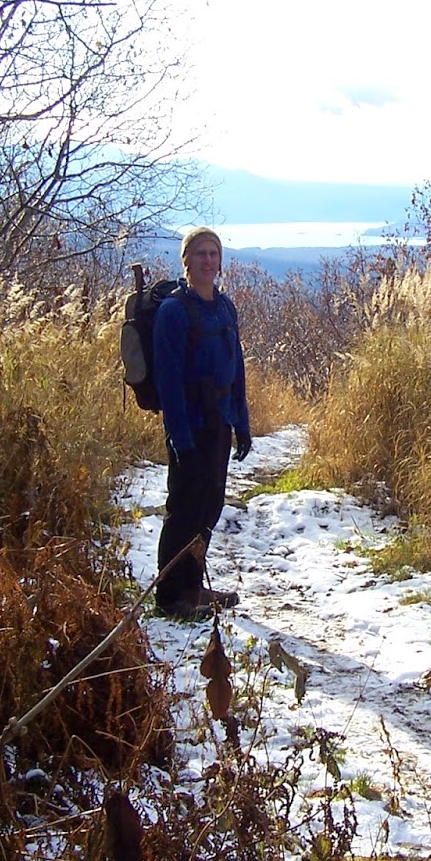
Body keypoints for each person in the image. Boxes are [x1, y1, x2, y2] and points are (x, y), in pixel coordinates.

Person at [152, 227, 252, 619]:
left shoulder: (225, 307)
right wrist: (180, 440)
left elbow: (236, 369)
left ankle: (192, 586)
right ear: (186, 261)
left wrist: (241, 423)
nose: (208, 261)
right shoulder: (173, 312)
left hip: (219, 423)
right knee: (184, 508)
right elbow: (169, 380)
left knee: (209, 506)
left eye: (214, 253)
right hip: (190, 426)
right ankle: (170, 596)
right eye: (200, 254)